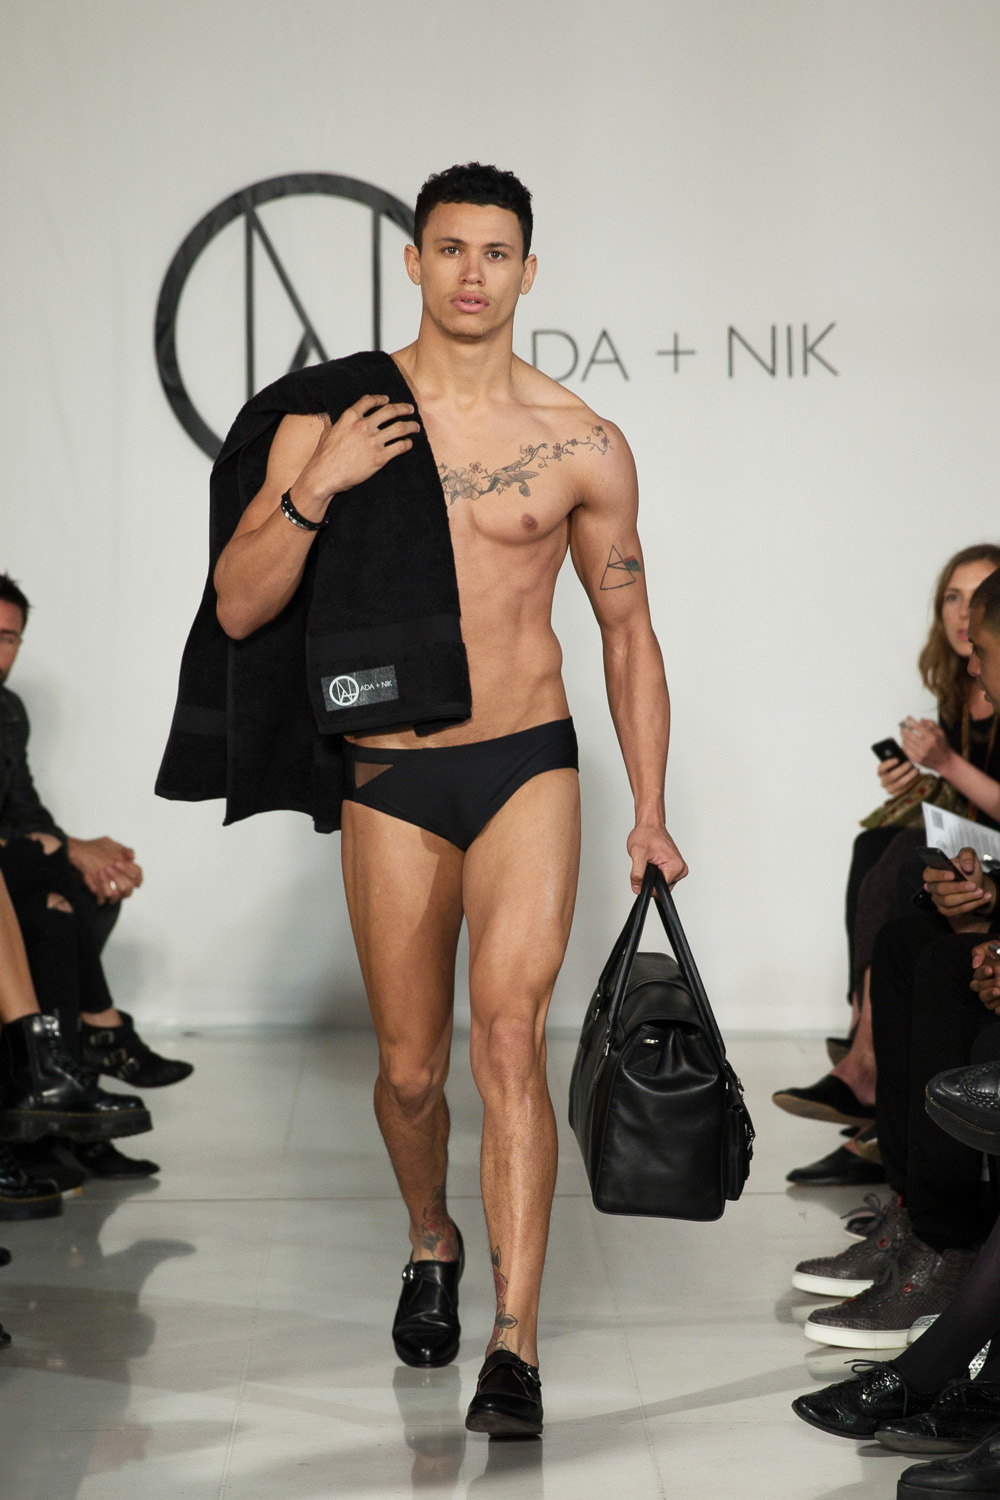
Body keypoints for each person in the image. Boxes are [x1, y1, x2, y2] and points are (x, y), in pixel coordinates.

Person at [200, 162, 686, 1436]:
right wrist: (319, 482)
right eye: (452, 249)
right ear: (412, 262)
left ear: (529, 271)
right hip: (392, 774)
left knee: (509, 1039)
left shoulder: (580, 441)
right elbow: (241, 606)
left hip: (528, 760)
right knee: (412, 1072)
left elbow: (626, 632)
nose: (474, 273)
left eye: (497, 251)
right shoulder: (334, 420)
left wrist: (648, 806)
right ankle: (432, 1237)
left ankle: (514, 1346)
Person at [777, 545, 1000, 1187]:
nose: (963, 614)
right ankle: (863, 1034)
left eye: (978, 597)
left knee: (904, 859)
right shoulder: (961, 689)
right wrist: (919, 780)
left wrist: (946, 765)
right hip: (978, 839)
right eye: (952, 597)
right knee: (873, 845)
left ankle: (867, 1067)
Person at [0, 573, 191, 1181]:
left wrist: (75, 854)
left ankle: (65, 1117)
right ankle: (101, 1042)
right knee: (53, 887)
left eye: (8, 638)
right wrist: (67, 850)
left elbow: (26, 813)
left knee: (73, 899)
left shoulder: (7, 711)